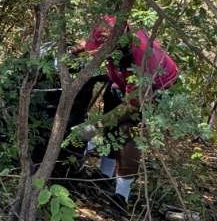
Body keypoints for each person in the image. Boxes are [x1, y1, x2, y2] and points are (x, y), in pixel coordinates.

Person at [64, 16, 180, 205]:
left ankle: (121, 196)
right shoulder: (114, 38)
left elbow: (132, 106)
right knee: (111, 111)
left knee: (128, 131)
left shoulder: (142, 60)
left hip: (154, 88)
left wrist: (93, 127)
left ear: (117, 46)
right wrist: (70, 54)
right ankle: (104, 176)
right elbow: (88, 45)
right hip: (123, 81)